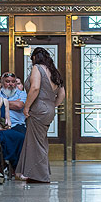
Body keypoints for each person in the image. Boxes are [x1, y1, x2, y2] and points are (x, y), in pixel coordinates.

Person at [15, 47, 65, 183]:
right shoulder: (55, 72)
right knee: (40, 141)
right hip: (49, 109)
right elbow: (62, 94)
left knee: (35, 142)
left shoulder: (37, 68)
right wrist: (52, 105)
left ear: (35, 58)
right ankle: (37, 173)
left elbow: (35, 88)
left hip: (38, 108)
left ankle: (40, 176)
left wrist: (26, 107)